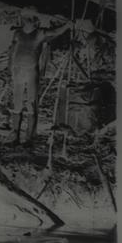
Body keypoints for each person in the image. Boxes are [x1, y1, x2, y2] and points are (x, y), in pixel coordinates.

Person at [8, 8, 73, 146]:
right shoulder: (18, 33)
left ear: (33, 20)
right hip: (18, 71)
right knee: (17, 103)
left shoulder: (39, 33)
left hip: (32, 71)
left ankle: (30, 137)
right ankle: (15, 135)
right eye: (25, 19)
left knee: (31, 103)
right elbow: (12, 51)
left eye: (30, 19)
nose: (27, 21)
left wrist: (67, 26)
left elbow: (55, 32)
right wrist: (10, 67)